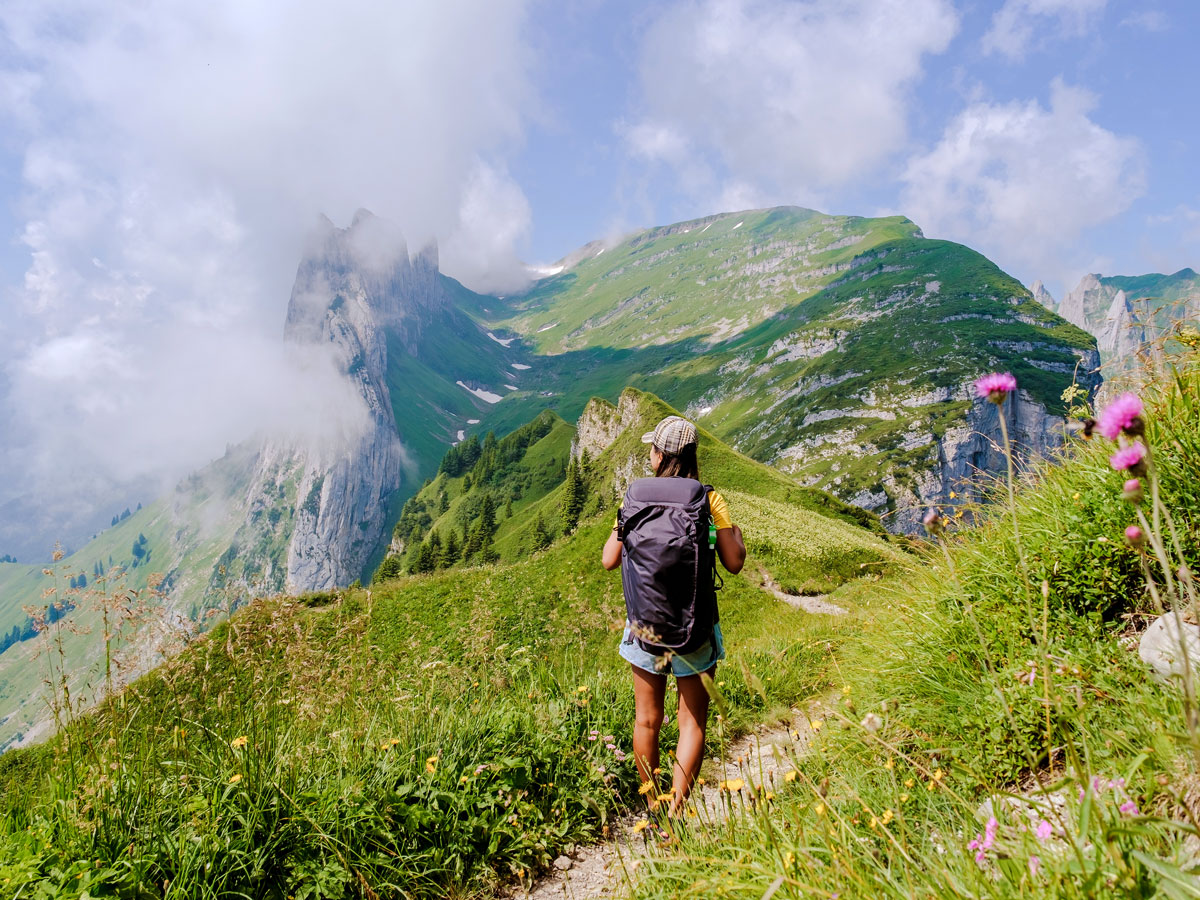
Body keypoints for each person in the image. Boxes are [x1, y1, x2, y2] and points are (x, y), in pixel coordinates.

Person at [601, 415, 746, 815]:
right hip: (695, 626)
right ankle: (676, 813)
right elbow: (733, 563)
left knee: (647, 720)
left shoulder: (634, 498)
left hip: (644, 627)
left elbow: (609, 559)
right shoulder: (708, 499)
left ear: (660, 454)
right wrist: (735, 535)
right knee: (691, 722)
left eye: (652, 448)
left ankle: (651, 805)